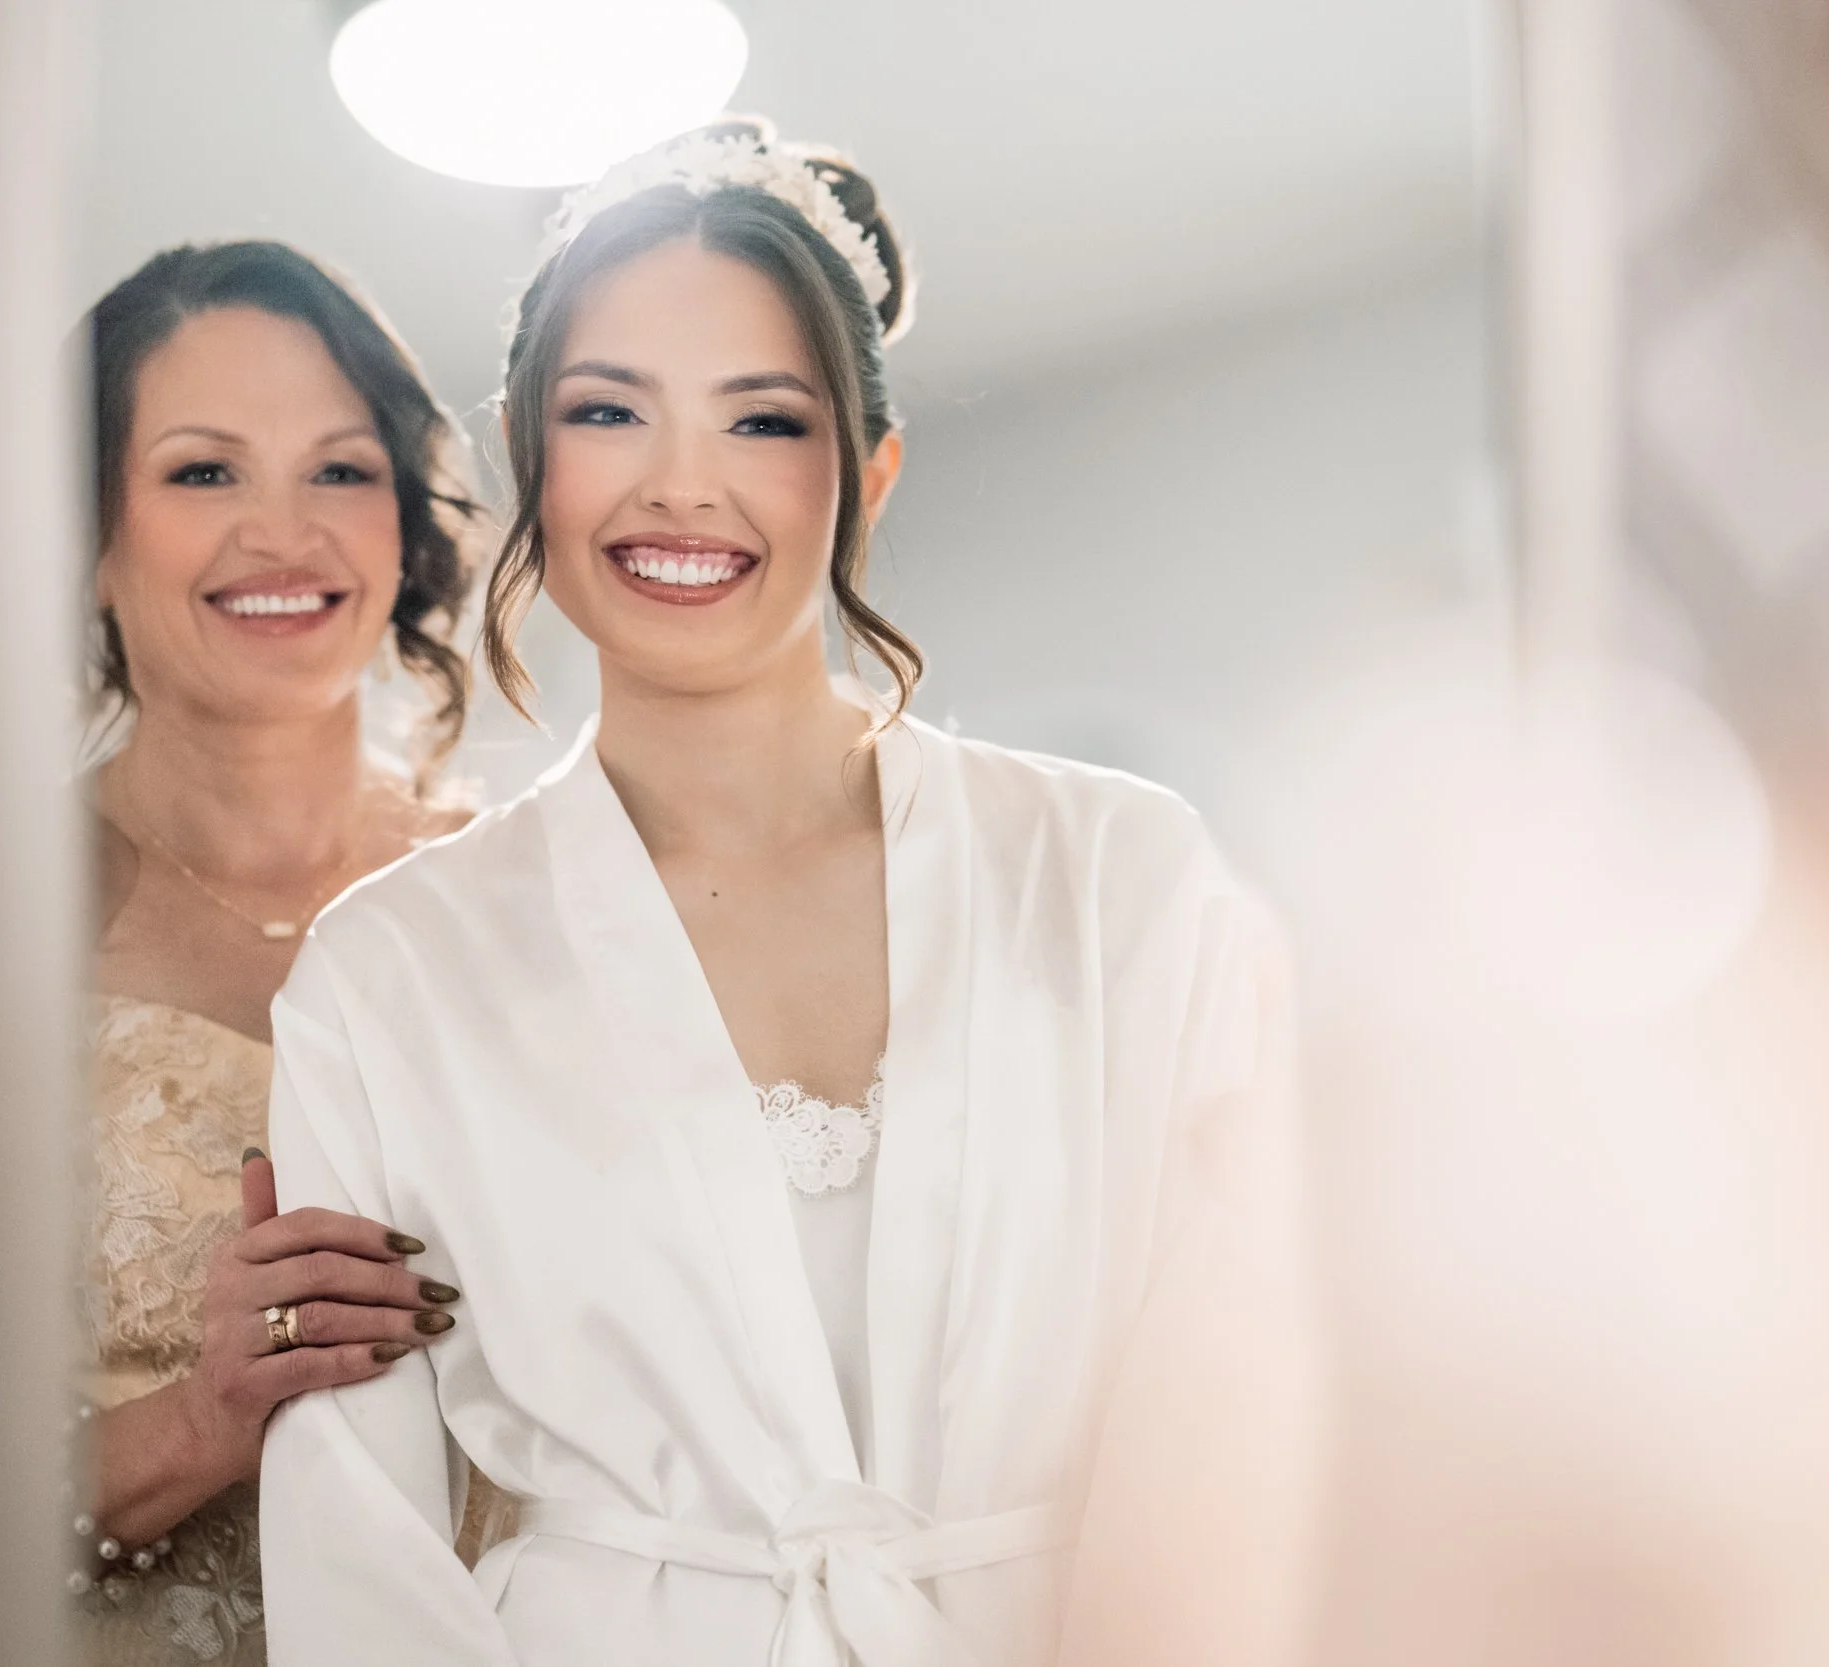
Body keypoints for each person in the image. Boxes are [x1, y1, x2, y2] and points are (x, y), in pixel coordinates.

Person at [255, 120, 1284, 1667]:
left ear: (869, 471)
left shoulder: (1123, 880)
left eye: (762, 423)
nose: (681, 488)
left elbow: (1257, 1410)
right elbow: (359, 1545)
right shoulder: (390, 973)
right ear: (534, 453)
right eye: (611, 412)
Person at [78, 241, 489, 1664]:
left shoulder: (529, 897)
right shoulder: (2, 921)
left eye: (339, 469)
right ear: (88, 535)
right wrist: (206, 1417)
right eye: (204, 472)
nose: (284, 533)